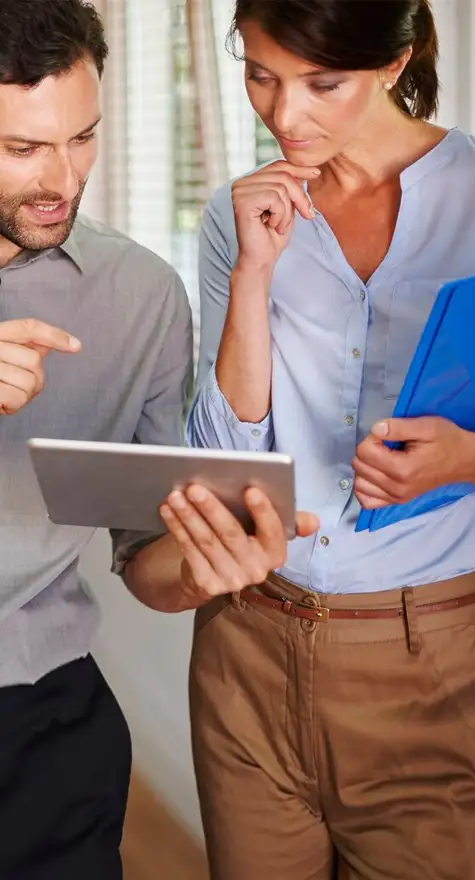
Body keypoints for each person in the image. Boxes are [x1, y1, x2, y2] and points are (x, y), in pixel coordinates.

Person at [1, 1, 315, 877]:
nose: (63, 179)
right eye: (22, 149)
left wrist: (204, 567)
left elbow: (143, 555)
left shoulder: (139, 295)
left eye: (84, 137)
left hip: (45, 721)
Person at [184, 0, 475, 877]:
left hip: (428, 663)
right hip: (246, 646)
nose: (283, 115)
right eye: (261, 75)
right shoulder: (238, 216)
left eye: (322, 84)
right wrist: (253, 274)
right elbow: (226, 460)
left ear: (393, 65)